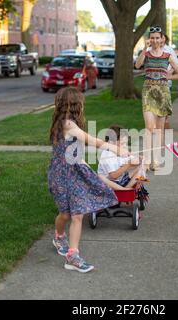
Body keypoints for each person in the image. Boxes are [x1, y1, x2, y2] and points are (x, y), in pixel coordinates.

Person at [48, 87, 129, 273]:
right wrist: (116, 149)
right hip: (60, 176)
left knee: (77, 215)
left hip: (74, 173)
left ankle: (72, 256)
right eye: (80, 102)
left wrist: (84, 165)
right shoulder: (67, 124)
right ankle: (59, 236)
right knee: (65, 215)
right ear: (75, 104)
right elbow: (93, 141)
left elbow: (74, 150)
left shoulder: (69, 124)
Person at [135, 26, 178, 171]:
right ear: (149, 39)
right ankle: (147, 159)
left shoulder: (167, 56)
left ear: (162, 39)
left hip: (162, 93)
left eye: (157, 37)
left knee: (159, 129)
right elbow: (137, 65)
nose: (155, 40)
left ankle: (156, 159)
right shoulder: (147, 54)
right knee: (150, 127)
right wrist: (144, 48)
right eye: (152, 38)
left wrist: (166, 76)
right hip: (148, 92)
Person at [97, 125, 145, 191]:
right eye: (122, 144)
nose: (125, 146)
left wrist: (139, 159)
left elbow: (134, 161)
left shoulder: (121, 152)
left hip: (121, 180)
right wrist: (128, 164)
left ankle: (127, 188)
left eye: (126, 143)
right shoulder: (107, 154)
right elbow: (113, 176)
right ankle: (124, 190)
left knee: (141, 168)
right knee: (100, 177)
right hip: (110, 184)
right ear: (111, 143)